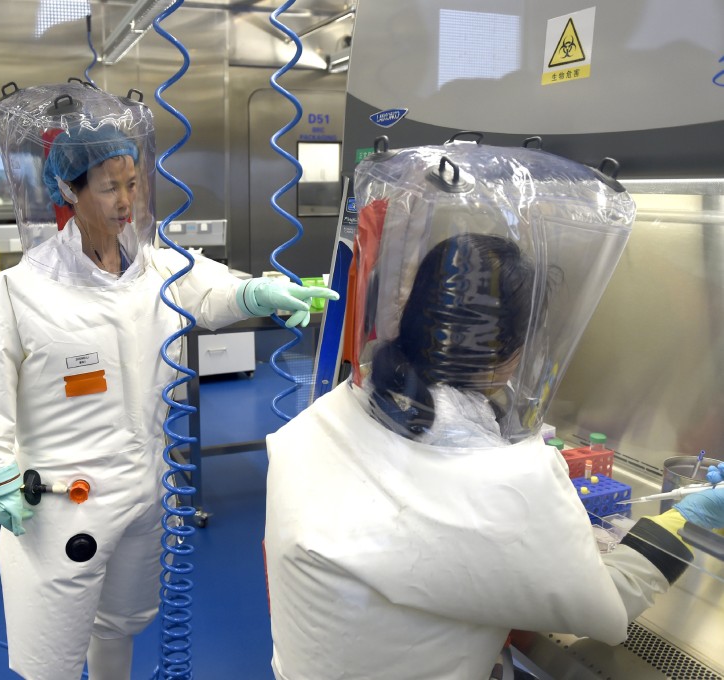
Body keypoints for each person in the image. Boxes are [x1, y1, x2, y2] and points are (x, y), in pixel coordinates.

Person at [263, 142, 723, 679]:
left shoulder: (331, 414)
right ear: (513, 352)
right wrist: (683, 522)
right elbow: (607, 612)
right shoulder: (504, 481)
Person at [0, 82, 335, 680]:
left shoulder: (157, 267)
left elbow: (212, 290)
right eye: (108, 187)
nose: (125, 200)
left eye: (132, 184)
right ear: (67, 191)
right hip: (62, 503)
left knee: (122, 624)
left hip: (148, 488)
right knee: (50, 652)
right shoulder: (9, 294)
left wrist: (258, 291)